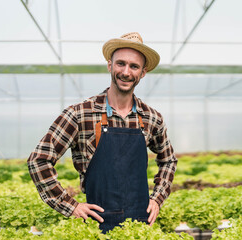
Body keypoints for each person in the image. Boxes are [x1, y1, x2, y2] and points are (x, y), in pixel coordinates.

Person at [27, 32, 178, 233]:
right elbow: (39, 160)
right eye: (120, 64)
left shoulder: (151, 118)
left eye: (134, 66)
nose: (126, 72)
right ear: (109, 65)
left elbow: (169, 161)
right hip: (95, 226)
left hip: (140, 228)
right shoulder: (79, 113)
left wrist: (158, 198)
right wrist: (70, 205)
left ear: (143, 72)